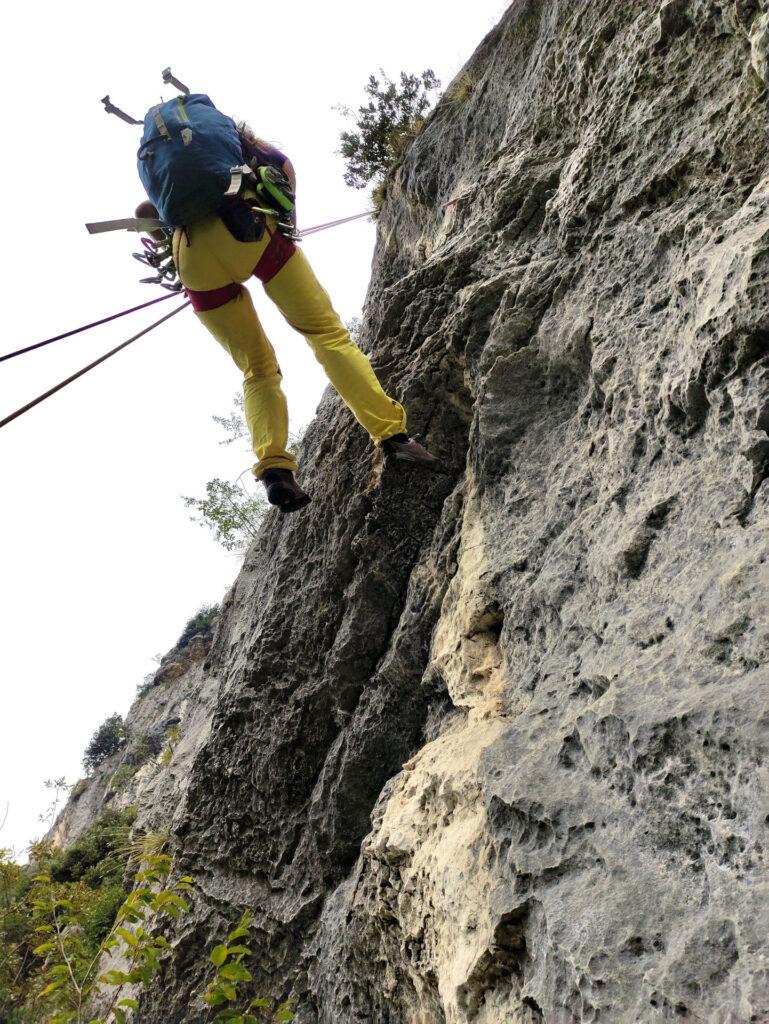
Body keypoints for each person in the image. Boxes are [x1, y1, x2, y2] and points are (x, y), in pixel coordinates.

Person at [137, 123, 438, 514]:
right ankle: (392, 435)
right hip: (251, 229)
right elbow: (286, 172)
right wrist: (288, 224)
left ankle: (275, 469)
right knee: (326, 334)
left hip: (191, 259)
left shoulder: (170, 181)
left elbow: (144, 213)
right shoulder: (247, 150)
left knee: (256, 369)